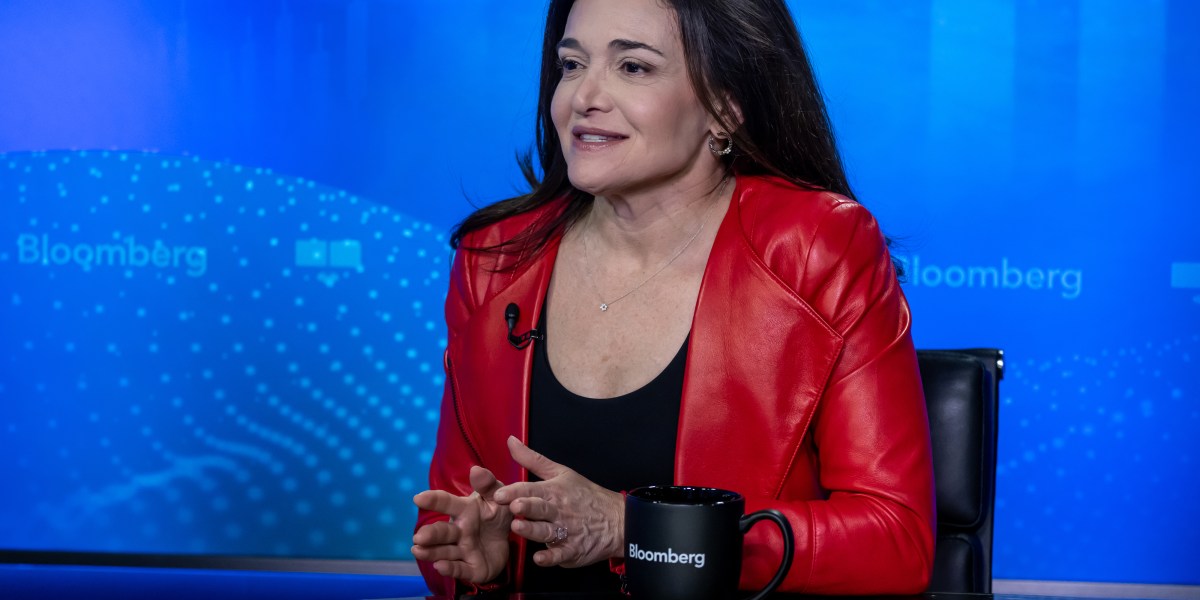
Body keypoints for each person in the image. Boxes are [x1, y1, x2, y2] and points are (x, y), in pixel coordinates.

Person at [411, 0, 935, 595]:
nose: (583, 97)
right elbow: (450, 511)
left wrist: (635, 529)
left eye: (632, 67)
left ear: (724, 107)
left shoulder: (817, 247)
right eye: (572, 64)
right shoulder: (494, 259)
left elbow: (897, 540)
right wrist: (488, 554)